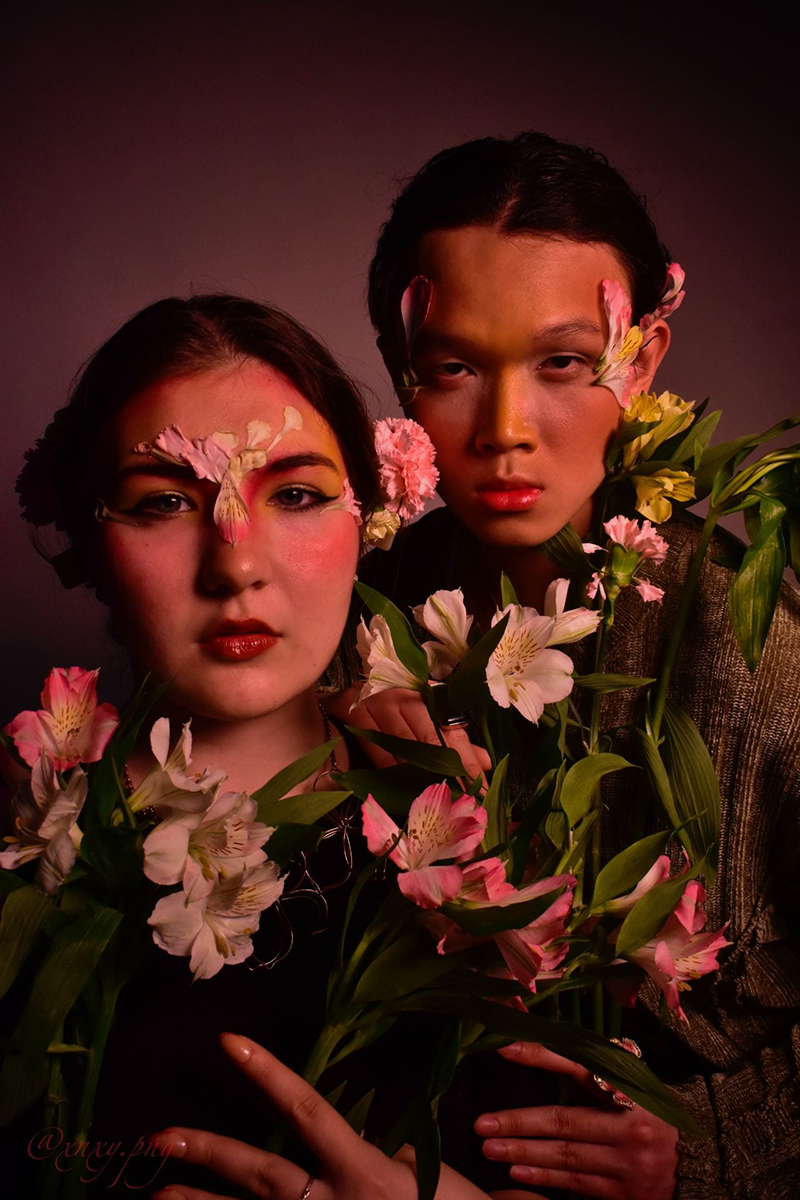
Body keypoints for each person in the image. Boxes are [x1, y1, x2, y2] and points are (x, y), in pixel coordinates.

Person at [345, 133, 800, 1199]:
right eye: (453, 368)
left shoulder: (758, 656)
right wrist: (328, 715)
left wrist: (707, 1146)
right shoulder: (351, 608)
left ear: (641, 359)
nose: (505, 431)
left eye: (561, 363)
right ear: (400, 365)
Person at [4, 294, 509, 1200]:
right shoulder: (22, 841)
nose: (235, 564)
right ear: (89, 539)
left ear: (371, 519)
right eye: (164, 502)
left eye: (299, 495)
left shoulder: (466, 830)